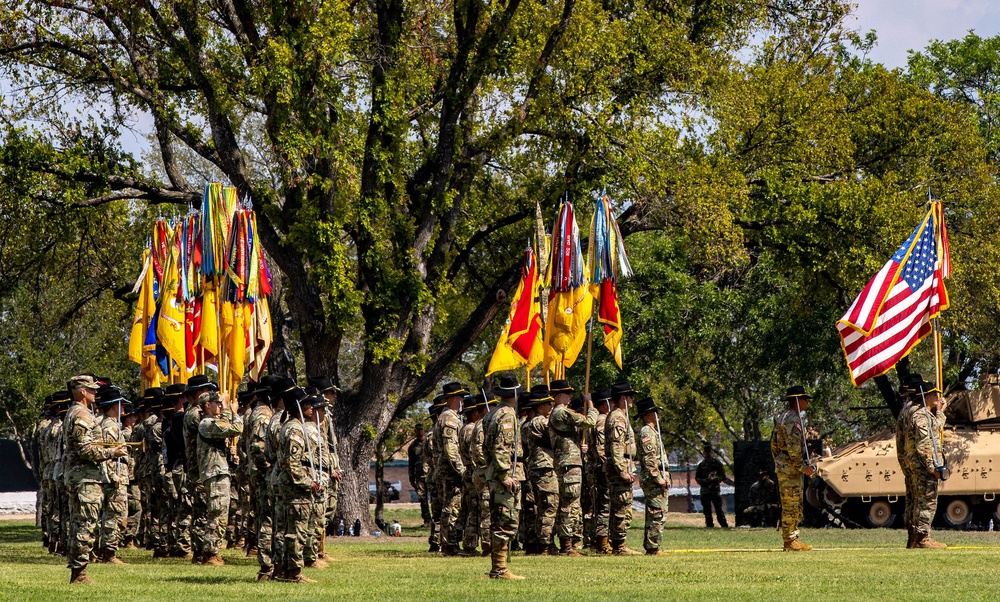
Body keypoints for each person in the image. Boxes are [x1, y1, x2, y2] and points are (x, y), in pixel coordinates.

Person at [63, 375, 128, 584]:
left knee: (82, 524)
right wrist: (112, 453)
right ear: (82, 391)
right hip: (85, 479)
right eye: (91, 390)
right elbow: (85, 449)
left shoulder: (81, 413)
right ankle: (79, 573)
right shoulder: (81, 414)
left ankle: (79, 570)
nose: (95, 393)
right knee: (85, 525)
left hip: (86, 478)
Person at [274, 387, 321, 583]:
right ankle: (293, 573)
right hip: (296, 489)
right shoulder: (295, 429)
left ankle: (282, 571)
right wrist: (309, 483)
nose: (310, 406)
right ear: (297, 408)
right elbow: (293, 464)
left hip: (291, 486)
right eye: (305, 404)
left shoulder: (291, 426)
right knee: (296, 532)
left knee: (287, 530)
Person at [547, 379, 598, 555]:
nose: (570, 396)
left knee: (574, 505)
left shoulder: (559, 412)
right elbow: (589, 421)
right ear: (559, 395)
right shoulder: (560, 412)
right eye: (567, 393)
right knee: (569, 505)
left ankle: (572, 544)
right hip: (568, 464)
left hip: (570, 462)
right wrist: (590, 403)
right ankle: (567, 545)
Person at [482, 374, 525, 579]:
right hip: (503, 476)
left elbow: (485, 447)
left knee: (501, 519)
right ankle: (499, 569)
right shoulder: (507, 415)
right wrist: (504, 474)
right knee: (506, 521)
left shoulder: (492, 413)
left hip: (494, 473)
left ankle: (499, 567)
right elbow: (501, 447)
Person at [197, 390, 245, 566]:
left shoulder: (212, 422)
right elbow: (236, 428)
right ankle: (210, 553)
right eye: (217, 403)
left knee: (220, 512)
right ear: (207, 405)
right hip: (214, 473)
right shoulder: (206, 423)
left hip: (219, 471)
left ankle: (213, 551)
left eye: (220, 403)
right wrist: (230, 410)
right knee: (217, 513)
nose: (219, 405)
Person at [904, 381, 948, 549]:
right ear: (927, 397)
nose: (938, 398)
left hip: (917, 465)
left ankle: (916, 538)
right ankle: (922, 538)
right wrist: (932, 467)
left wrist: (939, 412)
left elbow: (935, 429)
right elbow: (923, 446)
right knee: (927, 502)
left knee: (919, 501)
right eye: (935, 395)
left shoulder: (925, 415)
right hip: (923, 467)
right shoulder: (922, 416)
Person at [770, 385, 814, 551]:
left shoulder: (784, 417)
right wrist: (802, 466)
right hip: (791, 469)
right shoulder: (792, 420)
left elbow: (774, 444)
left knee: (794, 503)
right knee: (791, 504)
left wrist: (779, 461)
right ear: (798, 400)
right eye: (805, 399)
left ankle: (793, 537)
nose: (806, 403)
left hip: (787, 467)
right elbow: (793, 447)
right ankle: (789, 540)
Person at [605, 381, 640, 555]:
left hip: (625, 464)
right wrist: (622, 471)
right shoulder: (618, 417)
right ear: (622, 398)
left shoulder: (621, 416)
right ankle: (619, 545)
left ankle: (618, 542)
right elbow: (616, 446)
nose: (633, 399)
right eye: (630, 396)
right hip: (620, 467)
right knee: (621, 505)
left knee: (622, 505)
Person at [435, 382, 468, 556]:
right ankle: (450, 545)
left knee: (452, 506)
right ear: (454, 398)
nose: (463, 400)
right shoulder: (449, 419)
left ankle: (451, 544)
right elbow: (451, 449)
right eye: (461, 397)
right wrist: (461, 470)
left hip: (448, 470)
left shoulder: (451, 417)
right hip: (450, 471)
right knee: (452, 507)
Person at [525, 386, 558, 555]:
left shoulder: (533, 422)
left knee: (543, 506)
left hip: (539, 466)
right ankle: (545, 543)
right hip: (544, 466)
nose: (551, 407)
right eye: (547, 404)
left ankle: (542, 541)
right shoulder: (540, 421)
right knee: (549, 505)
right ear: (539, 407)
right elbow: (554, 439)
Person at [635, 397, 669, 555]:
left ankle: (654, 544)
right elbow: (649, 459)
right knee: (656, 512)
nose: (657, 414)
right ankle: (652, 546)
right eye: (654, 411)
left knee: (659, 512)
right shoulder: (646, 432)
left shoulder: (653, 431)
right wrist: (658, 478)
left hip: (660, 475)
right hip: (653, 479)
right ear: (647, 415)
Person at [586, 387, 613, 554]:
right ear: (605, 404)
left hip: (596, 467)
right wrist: (607, 466)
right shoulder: (602, 421)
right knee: (604, 505)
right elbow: (600, 447)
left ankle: (601, 539)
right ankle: (602, 542)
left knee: (600, 505)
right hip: (601, 469)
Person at [695, 444, 729, 528]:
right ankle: (709, 525)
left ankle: (723, 524)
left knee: (718, 509)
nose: (708, 454)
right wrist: (705, 481)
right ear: (704, 453)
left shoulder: (717, 463)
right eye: (706, 452)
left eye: (709, 452)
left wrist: (715, 479)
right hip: (705, 491)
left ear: (711, 453)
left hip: (715, 490)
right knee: (707, 509)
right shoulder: (701, 465)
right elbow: (697, 478)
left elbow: (723, 476)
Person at [408, 424, 430, 527]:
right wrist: (411, 478)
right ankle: (427, 520)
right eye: (418, 430)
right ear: (415, 431)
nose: (420, 431)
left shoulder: (429, 442)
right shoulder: (413, 446)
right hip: (419, 476)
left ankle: (437, 519)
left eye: (421, 429)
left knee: (435, 499)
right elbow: (411, 463)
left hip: (431, 474)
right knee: (423, 499)